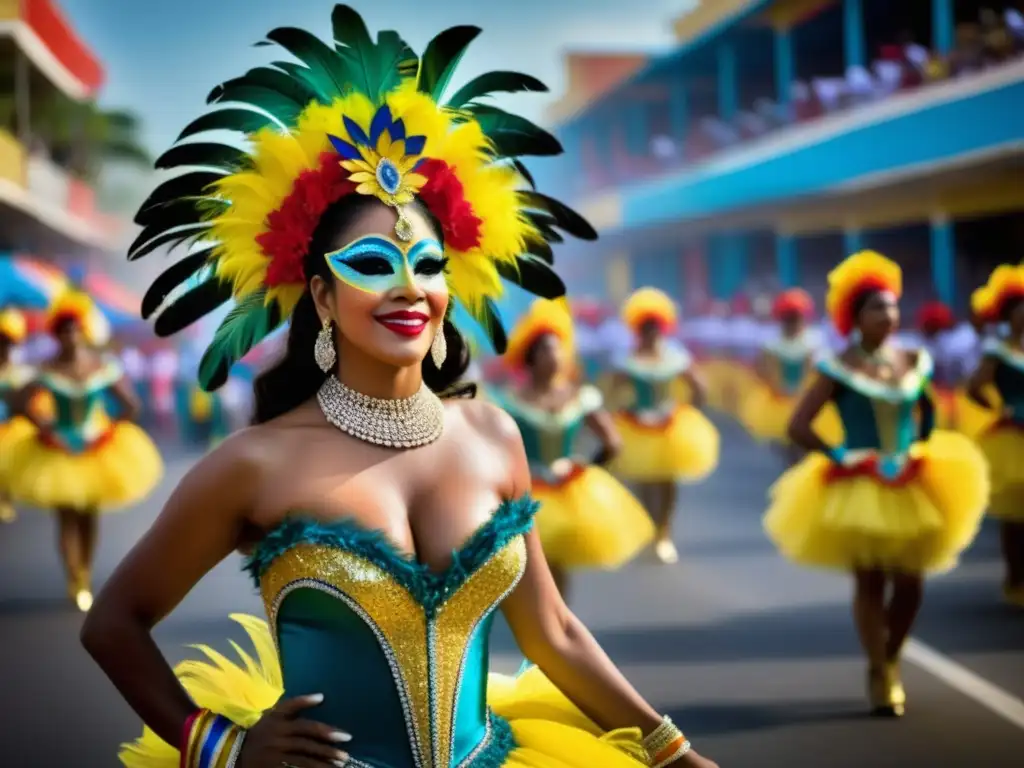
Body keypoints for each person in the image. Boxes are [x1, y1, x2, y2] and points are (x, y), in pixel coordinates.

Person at [81, 9, 718, 768]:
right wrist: (220, 747)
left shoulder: (493, 434)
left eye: (428, 263)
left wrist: (671, 750)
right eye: (374, 264)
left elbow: (553, 632)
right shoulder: (256, 463)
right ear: (321, 296)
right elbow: (115, 621)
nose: (410, 288)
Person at [764, 251, 989, 717]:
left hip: (911, 476)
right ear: (855, 317)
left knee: (912, 583)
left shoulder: (912, 358)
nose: (887, 315)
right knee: (870, 579)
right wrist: (838, 454)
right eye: (875, 308)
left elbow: (925, 408)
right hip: (860, 481)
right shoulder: (837, 366)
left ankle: (892, 653)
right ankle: (878, 668)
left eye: (891, 307)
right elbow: (798, 425)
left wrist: (923, 445)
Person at [5, 290, 163, 610]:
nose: (69, 335)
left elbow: (131, 404)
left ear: (84, 331)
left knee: (89, 516)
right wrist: (45, 427)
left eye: (74, 328)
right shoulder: (47, 369)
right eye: (63, 330)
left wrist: (109, 429)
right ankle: (73, 577)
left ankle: (85, 574)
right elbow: (19, 401)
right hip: (58, 448)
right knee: (66, 517)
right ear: (56, 334)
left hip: (96, 447)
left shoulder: (101, 366)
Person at [493, 298, 654, 598]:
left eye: (557, 348)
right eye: (544, 350)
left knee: (557, 566)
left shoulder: (580, 396)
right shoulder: (509, 402)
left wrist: (590, 471)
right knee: (531, 569)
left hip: (568, 487)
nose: (553, 356)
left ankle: (559, 623)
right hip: (527, 492)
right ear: (529, 358)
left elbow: (612, 442)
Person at [608, 288, 719, 565]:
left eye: (655, 327)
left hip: (670, 425)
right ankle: (651, 526)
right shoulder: (627, 359)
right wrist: (615, 412)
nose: (651, 333)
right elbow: (612, 390)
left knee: (668, 481)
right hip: (638, 425)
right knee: (645, 480)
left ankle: (664, 531)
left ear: (663, 328)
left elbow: (699, 384)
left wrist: (691, 410)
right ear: (638, 331)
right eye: (645, 328)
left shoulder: (675, 356)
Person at [966, 265, 1024, 606]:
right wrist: (997, 407)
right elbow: (975, 386)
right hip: (1013, 438)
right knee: (1015, 519)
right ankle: (1015, 578)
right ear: (1010, 315)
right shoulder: (997, 350)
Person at [739, 289, 842, 464]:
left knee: (804, 450)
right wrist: (774, 387)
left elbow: (822, 374)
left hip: (806, 402)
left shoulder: (814, 343)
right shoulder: (771, 346)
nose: (792, 322)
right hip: (780, 404)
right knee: (790, 451)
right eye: (788, 318)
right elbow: (760, 372)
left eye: (796, 317)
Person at [0, 307, 34, 523]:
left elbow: (26, 401)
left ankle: (6, 499)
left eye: (7, 343)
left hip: (10, 425)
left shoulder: (19, 372)